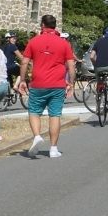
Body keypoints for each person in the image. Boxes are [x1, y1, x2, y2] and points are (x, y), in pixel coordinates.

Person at [17, 14, 71, 158]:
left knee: (34, 111)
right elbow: (71, 65)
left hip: (38, 83)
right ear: (55, 26)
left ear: (42, 25)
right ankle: (53, 149)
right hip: (58, 84)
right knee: (55, 115)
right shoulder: (64, 43)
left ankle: (37, 136)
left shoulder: (34, 41)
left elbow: (24, 62)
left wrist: (22, 80)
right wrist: (71, 81)